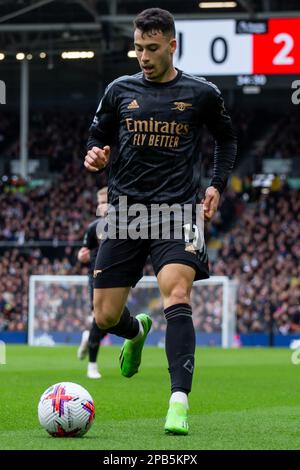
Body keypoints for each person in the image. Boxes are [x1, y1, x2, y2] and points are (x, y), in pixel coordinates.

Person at [84, 8, 237, 435]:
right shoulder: (119, 90)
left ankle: (178, 402)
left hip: (178, 211)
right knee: (105, 317)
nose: (144, 56)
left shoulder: (201, 93)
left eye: (152, 48)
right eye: (138, 48)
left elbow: (227, 137)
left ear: (172, 45)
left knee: (176, 293)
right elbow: (97, 136)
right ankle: (136, 332)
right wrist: (95, 152)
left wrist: (216, 185)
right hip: (127, 212)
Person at [77, 187, 108, 379]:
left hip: (120, 277)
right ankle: (92, 365)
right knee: (99, 319)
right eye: (99, 203)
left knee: (110, 322)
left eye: (105, 201)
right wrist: (81, 257)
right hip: (97, 277)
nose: (102, 206)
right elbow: (83, 252)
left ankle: (88, 338)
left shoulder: (126, 228)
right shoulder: (93, 227)